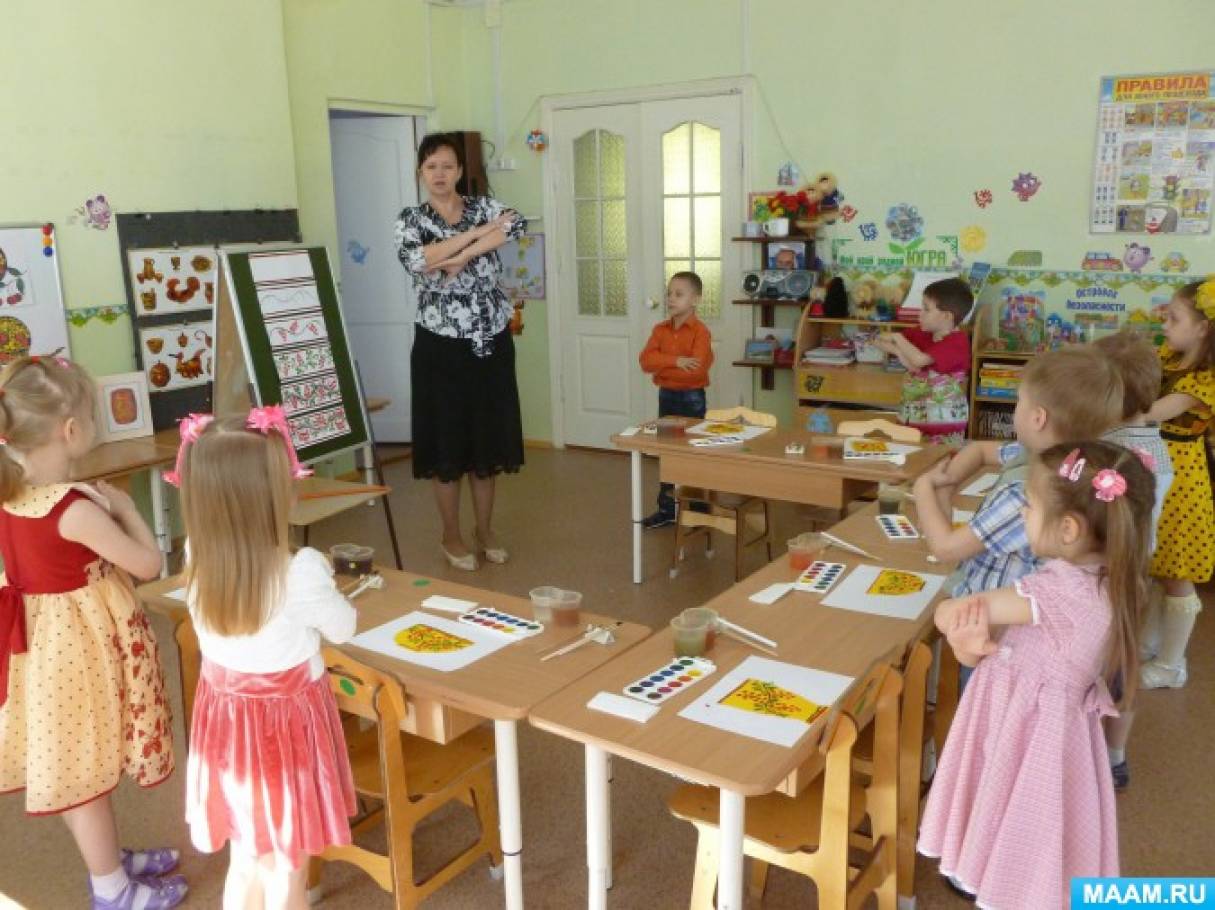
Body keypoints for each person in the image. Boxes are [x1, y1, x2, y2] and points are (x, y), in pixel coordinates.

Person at [919, 441, 1154, 909]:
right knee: (1031, 834)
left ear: (1068, 529)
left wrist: (950, 616)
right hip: (1043, 731)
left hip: (1024, 735)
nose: (1024, 512)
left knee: (1014, 829)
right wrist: (971, 651)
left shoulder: (1055, 591)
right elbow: (997, 646)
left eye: (1029, 504)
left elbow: (958, 611)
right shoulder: (1109, 581)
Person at [0, 355, 184, 909]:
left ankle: (109, 862)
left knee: (80, 769)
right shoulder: (74, 509)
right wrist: (128, 510)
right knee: (86, 780)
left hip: (41, 651)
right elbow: (149, 566)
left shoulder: (13, 496)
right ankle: (112, 889)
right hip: (79, 655)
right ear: (72, 430)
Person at [172, 409, 357, 910]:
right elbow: (345, 627)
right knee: (287, 870)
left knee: (248, 857)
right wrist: (327, 584)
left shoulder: (196, 554)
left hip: (226, 728)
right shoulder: (300, 571)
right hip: (285, 735)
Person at [915, 347, 1124, 691]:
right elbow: (981, 450)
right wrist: (951, 477)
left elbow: (946, 548)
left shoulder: (1029, 492)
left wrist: (925, 489)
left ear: (1037, 417)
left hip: (1001, 634)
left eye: (1018, 402)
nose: (1015, 411)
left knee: (986, 699)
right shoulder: (1067, 462)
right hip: (1003, 620)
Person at [395, 132, 527, 571]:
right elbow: (417, 260)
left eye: (447, 166)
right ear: (420, 173)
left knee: (486, 445)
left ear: (459, 171)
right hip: (439, 346)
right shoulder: (410, 219)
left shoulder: (482, 207)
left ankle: (484, 530)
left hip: (490, 338)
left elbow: (515, 224)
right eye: (431, 167)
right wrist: (475, 241)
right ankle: (451, 535)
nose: (439, 175)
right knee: (448, 446)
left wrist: (456, 254)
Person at [1090, 331, 1174, 788]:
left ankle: (1085, 755)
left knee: (1094, 668)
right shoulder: (1155, 446)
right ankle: (1115, 757)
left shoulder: (1107, 451)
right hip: (1136, 575)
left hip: (1101, 575)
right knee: (1124, 669)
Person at [1136, 279, 1215, 690]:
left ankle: (1172, 664)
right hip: (1155, 469)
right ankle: (1150, 644)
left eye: (1175, 318)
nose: (1165, 324)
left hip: (1182, 478)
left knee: (1176, 572)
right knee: (1154, 563)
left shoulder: (1204, 380)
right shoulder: (1172, 357)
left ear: (1203, 328)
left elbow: (1150, 411)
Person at [638, 271, 713, 529]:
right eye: (669, 293)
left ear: (695, 300)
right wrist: (675, 361)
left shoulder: (701, 332)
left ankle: (699, 508)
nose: (671, 298)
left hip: (692, 399)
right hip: (667, 397)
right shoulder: (659, 330)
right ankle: (668, 509)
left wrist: (664, 366)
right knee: (667, 454)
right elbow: (645, 362)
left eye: (679, 294)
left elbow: (698, 369)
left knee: (694, 453)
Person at [874, 277, 974, 443]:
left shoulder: (957, 342)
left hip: (943, 429)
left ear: (947, 316)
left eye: (926, 309)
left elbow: (919, 360)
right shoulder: (922, 332)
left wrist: (898, 338)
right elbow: (885, 343)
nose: (920, 313)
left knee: (940, 465)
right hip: (912, 420)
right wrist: (895, 348)